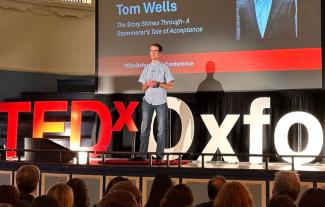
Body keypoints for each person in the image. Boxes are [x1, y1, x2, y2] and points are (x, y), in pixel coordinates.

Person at [135, 43, 174, 161]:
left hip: (161, 101)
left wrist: (157, 84)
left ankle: (160, 155)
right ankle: (142, 154)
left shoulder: (164, 67)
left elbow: (170, 86)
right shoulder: (146, 68)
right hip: (147, 101)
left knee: (161, 130)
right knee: (144, 128)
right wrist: (147, 84)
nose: (153, 53)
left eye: (156, 51)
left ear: (160, 53)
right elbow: (142, 88)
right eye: (151, 51)